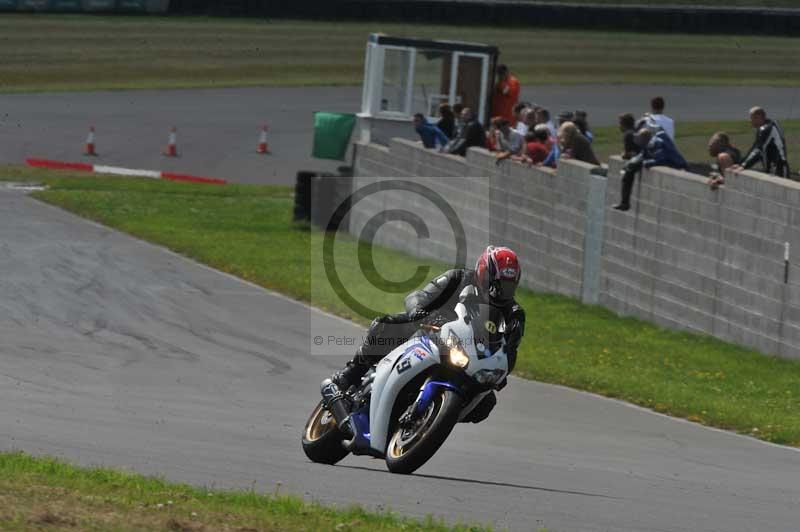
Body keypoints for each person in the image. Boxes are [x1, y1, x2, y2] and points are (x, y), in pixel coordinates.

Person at [330, 246, 526, 424]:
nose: (500, 292)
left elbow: (510, 350)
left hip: (469, 357)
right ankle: (351, 374)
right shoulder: (458, 278)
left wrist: (501, 374)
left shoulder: (514, 313)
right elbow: (419, 296)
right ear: (484, 272)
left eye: (508, 287)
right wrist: (418, 310)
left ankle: (435, 419)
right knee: (387, 326)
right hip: (429, 333)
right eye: (497, 284)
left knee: (486, 403)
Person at [614, 128, 688, 211]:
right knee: (629, 172)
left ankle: (625, 203)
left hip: (676, 166)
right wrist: (629, 163)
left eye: (638, 137)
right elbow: (640, 156)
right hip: (667, 163)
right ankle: (624, 203)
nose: (636, 139)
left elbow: (661, 159)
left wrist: (647, 162)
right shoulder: (646, 145)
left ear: (644, 139)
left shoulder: (656, 143)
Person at [731, 107, 790, 179]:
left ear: (758, 117)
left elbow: (759, 150)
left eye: (751, 118)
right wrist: (741, 163)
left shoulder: (767, 129)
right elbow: (755, 147)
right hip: (772, 167)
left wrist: (744, 165)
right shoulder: (766, 126)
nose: (750, 121)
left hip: (778, 167)